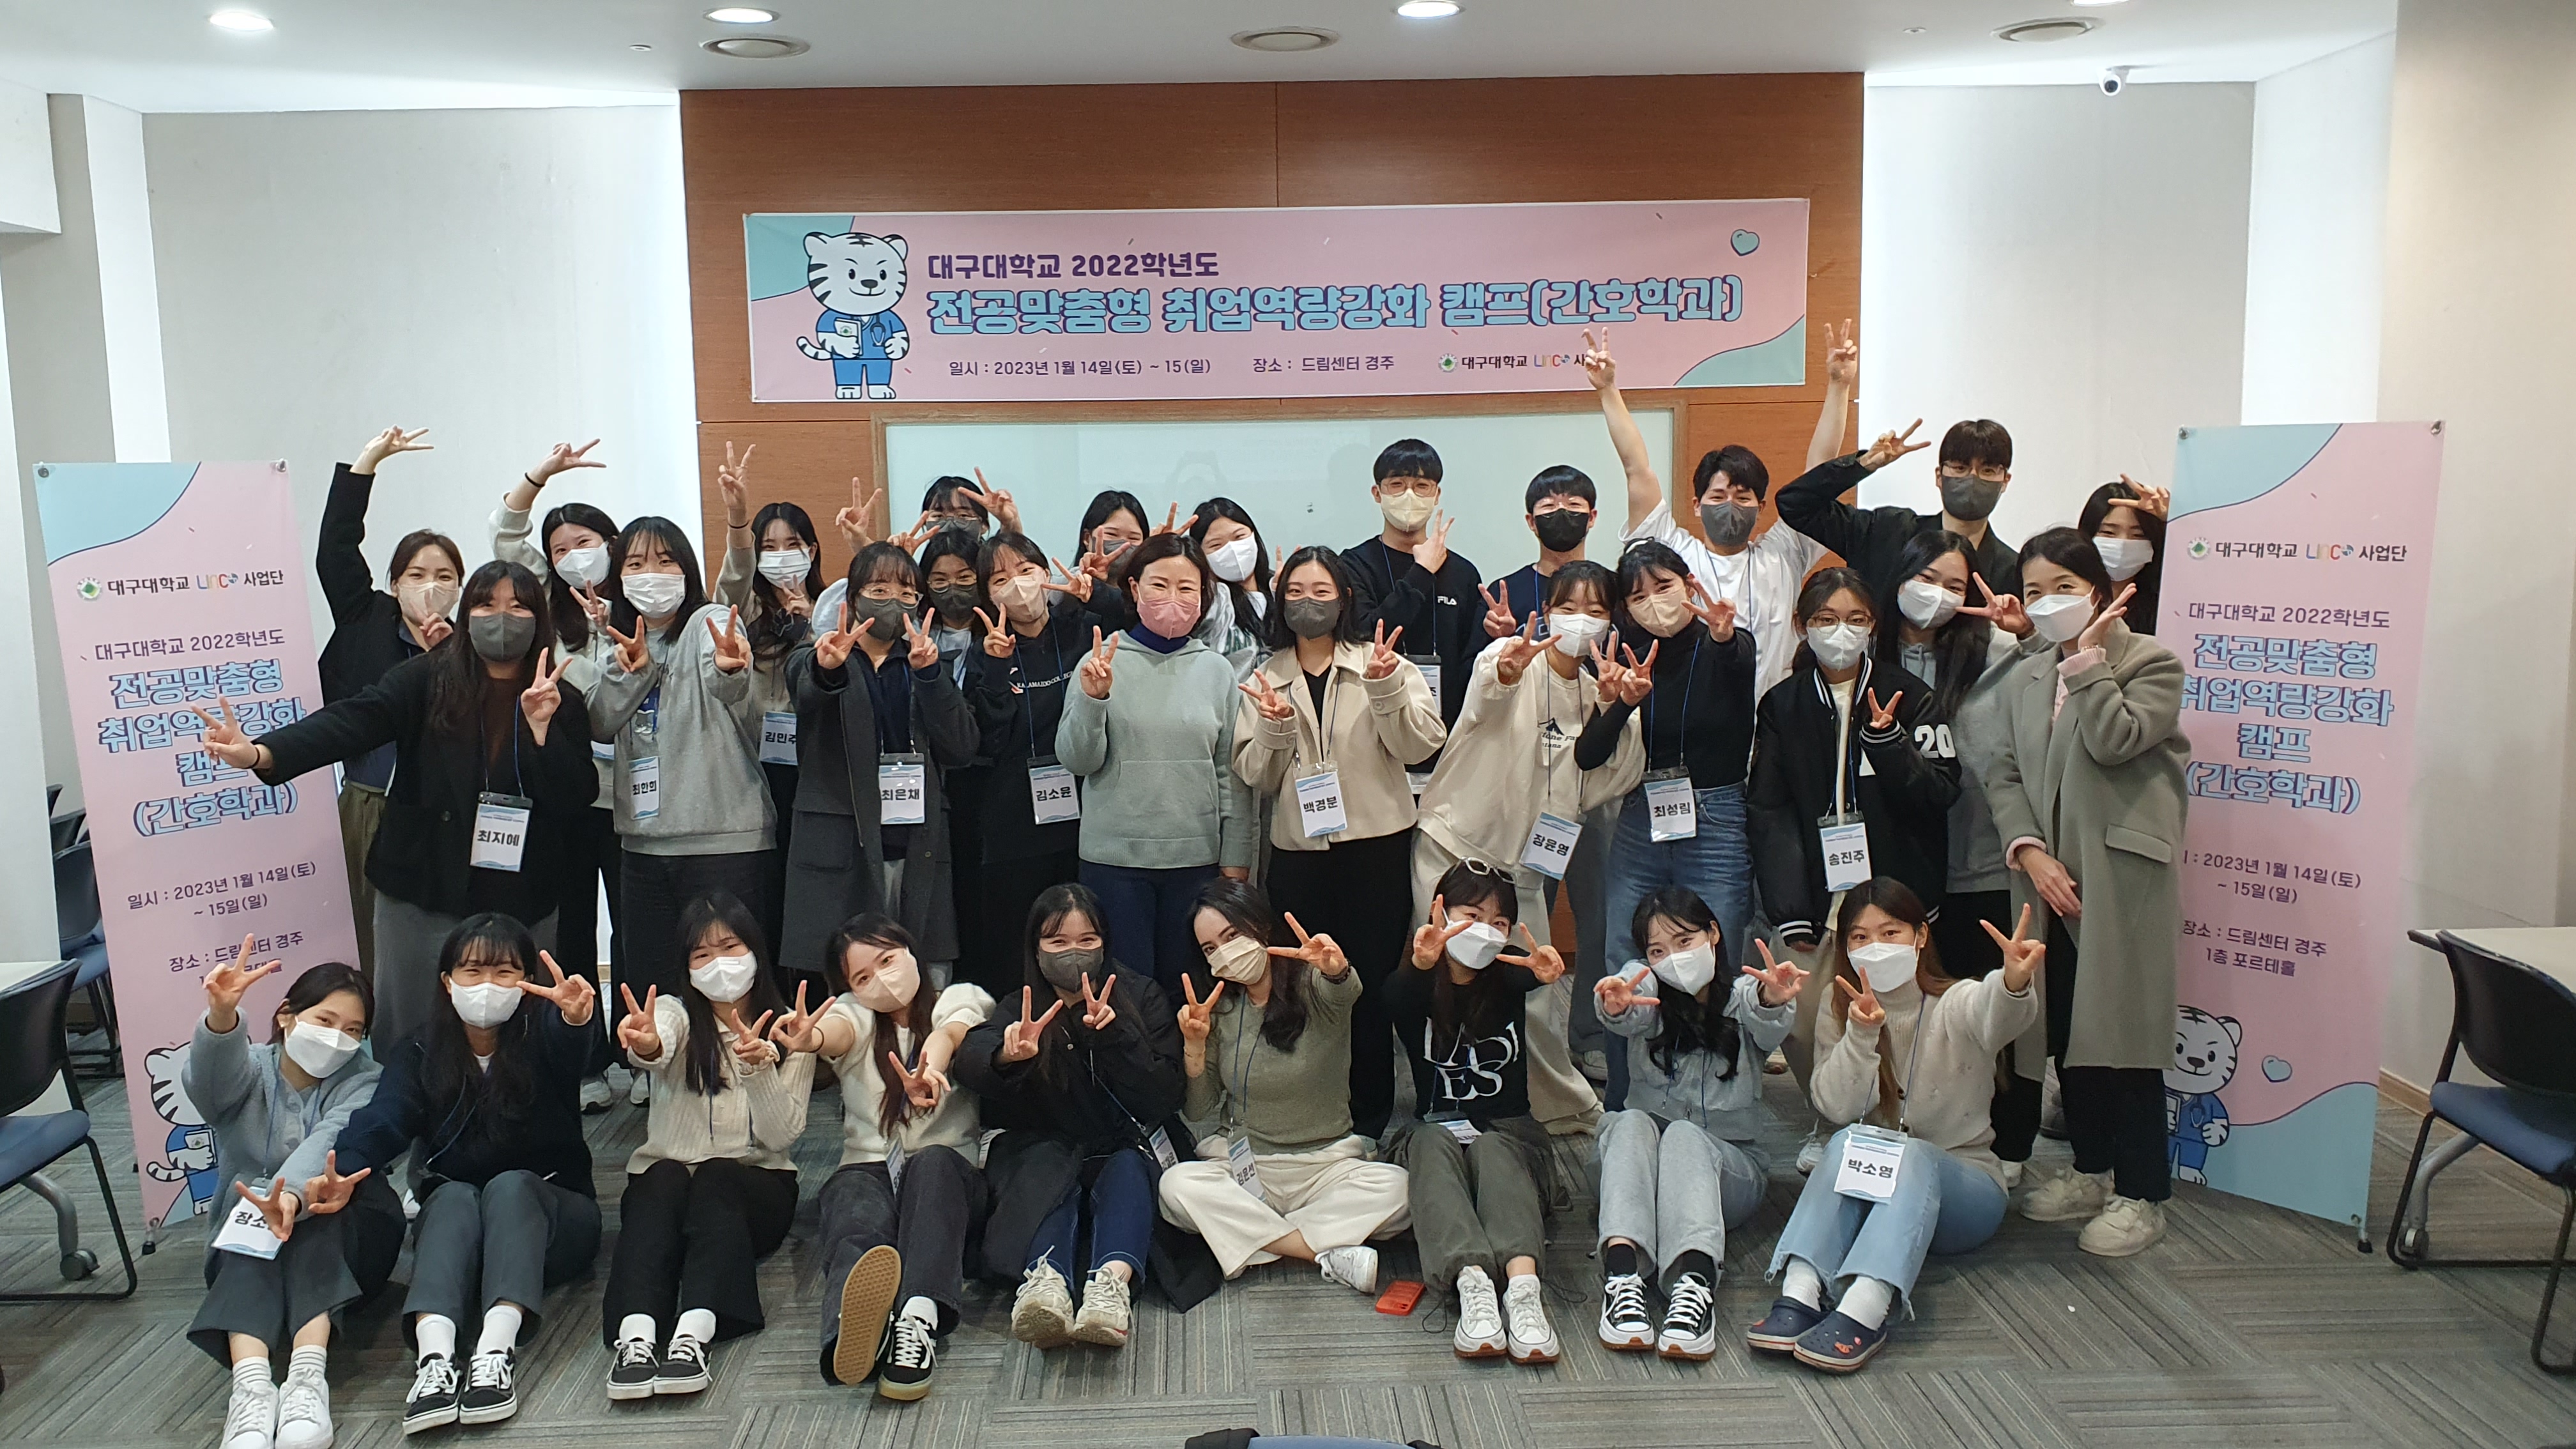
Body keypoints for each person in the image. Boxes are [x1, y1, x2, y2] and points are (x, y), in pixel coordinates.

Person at [198, 560, 598, 1050]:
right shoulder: (425, 679)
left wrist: (542, 734)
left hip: (521, 895)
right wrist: (263, 753)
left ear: (539, 618)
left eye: (518, 607)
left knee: (516, 1031)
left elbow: (577, 795)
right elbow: (352, 721)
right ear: (466, 614)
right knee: (410, 1028)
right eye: (486, 604)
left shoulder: (562, 699)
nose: (501, 618)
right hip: (422, 885)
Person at [1983, 528, 2190, 1257]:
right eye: (2034, 592)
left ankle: (2142, 1194)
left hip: (2118, 879)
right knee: (2069, 1033)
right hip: (2045, 880)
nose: (2048, 604)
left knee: (2123, 1037)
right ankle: (2091, 1170)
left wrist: (2089, 662)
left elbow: (2115, 740)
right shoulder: (2027, 675)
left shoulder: (2150, 661)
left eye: (2064, 588)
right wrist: (2029, 850)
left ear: (2098, 591)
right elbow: (2003, 772)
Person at [1747, 883, 2043, 1372]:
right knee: (1845, 1140)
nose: (1876, 947)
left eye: (1891, 933)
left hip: (1964, 1194)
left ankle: (1866, 1307)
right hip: (1878, 1195)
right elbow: (1834, 1105)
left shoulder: (1955, 1002)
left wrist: (2012, 981)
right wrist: (1862, 1036)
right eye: (1860, 937)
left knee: (1912, 1152)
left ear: (1920, 937)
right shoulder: (1840, 1006)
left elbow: (1997, 1012)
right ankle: (1801, 1291)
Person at [330, 914, 603, 1434]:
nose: (487, 986)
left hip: (554, 1221)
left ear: (527, 981)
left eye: (504, 972)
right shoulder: (419, 1050)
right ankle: (434, 1361)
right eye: (473, 971)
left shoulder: (542, 1036)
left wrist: (575, 1019)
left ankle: (495, 1354)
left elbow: (573, 1050)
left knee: (511, 1185)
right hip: (462, 1236)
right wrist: (344, 1169)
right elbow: (386, 1117)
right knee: (450, 1197)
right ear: (447, 981)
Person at [1415, 561, 1639, 1133]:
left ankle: (1558, 1104)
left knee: (1536, 986)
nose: (1581, 620)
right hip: (1456, 848)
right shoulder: (1508, 656)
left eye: (1596, 610)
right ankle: (1444, 1103)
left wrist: (1614, 711)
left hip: (1524, 871)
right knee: (1444, 977)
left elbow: (1610, 778)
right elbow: (1485, 698)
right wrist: (1507, 670)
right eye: (1568, 607)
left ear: (1612, 620)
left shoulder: (1600, 689)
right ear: (1547, 610)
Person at [1234, 546, 1445, 1138]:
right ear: (1280, 602)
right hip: (1299, 856)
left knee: (1372, 984)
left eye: (1322, 592)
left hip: (1375, 849)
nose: (1309, 603)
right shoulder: (1265, 677)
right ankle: (1317, 1109)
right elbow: (1256, 776)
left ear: (1345, 599)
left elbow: (1420, 746)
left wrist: (1386, 690)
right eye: (1296, 592)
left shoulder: (1383, 663)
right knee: (1308, 984)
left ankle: (1372, 1115)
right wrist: (1274, 726)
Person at [1749, 565, 1959, 1113]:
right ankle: (1832, 1117)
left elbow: (1940, 792)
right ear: (1802, 626)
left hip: (1892, 890)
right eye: (1825, 619)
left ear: (1873, 626)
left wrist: (1888, 744)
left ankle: (1894, 1123)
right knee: (1803, 1020)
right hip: (1816, 895)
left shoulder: (1910, 696)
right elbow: (1770, 811)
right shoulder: (1783, 704)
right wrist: (1790, 909)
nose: (1840, 631)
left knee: (1896, 1017)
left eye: (1855, 619)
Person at [952, 884, 1183, 1352]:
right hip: (1045, 1145)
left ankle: (1111, 1289)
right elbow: (971, 1060)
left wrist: (1117, 1037)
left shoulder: (1141, 995)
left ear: (1105, 942)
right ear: (1036, 948)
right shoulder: (1020, 1005)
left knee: (1127, 1168)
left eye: (1087, 940)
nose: (1073, 953)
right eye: (1058, 942)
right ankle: (1046, 1285)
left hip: (1122, 1140)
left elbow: (1167, 1092)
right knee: (1044, 1171)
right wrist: (1007, 1055)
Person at [770, 914, 993, 1400]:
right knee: (852, 1203)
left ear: (910, 951)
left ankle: (917, 1320)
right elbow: (836, 1031)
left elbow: (952, 1032)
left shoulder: (959, 995)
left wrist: (929, 1069)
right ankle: (854, 1330)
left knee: (932, 1165)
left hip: (947, 1173)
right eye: (862, 977)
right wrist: (810, 1040)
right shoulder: (855, 1013)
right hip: (870, 1166)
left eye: (887, 960)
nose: (881, 980)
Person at [603, 893, 813, 1400]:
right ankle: (636, 1336)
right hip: (670, 1197)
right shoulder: (674, 1013)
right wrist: (646, 1043)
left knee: (718, 1173)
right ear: (687, 968)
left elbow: (782, 1137)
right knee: (662, 1174)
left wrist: (760, 1071)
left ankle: (693, 1336)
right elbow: (657, 1044)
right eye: (702, 954)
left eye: (730, 947)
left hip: (754, 1193)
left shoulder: (791, 1028)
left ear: (755, 951)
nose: (719, 963)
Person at [1873, 530, 2037, 1181]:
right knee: (1909, 1016)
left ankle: (2008, 1143)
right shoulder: (1869, 649)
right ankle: (1911, 1131)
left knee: (1988, 1009)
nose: (1937, 595)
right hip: (1899, 871)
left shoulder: (1995, 650)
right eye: (1926, 578)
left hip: (1980, 859)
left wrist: (2026, 635)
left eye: (1954, 585)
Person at [184, 949, 392, 1449]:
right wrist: (221, 1017)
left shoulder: (365, 1078)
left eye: (353, 1030)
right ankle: (251, 1388)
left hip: (349, 1236)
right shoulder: (249, 1069)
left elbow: (328, 1142)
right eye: (325, 1021)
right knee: (253, 1213)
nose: (338, 1038)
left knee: (319, 1202)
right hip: (247, 1236)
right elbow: (208, 1089)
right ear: (286, 1016)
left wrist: (293, 1198)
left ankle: (307, 1378)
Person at [1156, 880, 1407, 1294]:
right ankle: (1322, 1252)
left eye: (1231, 936)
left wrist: (1337, 969)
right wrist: (1195, 1048)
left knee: (1400, 1190)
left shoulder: (1313, 985)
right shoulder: (1217, 1007)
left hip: (1325, 1165)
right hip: (1246, 1166)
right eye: (1210, 949)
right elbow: (1199, 1110)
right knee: (1176, 1188)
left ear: (1260, 925)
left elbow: (1346, 990)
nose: (1224, 954)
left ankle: (1252, 1235)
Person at [1575, 539, 1755, 1110]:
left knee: (1717, 957)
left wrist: (1724, 637)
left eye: (1663, 586)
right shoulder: (1621, 657)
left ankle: (1718, 1102)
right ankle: (1624, 1105)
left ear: (1688, 584)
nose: (1653, 602)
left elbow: (1736, 674)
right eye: (1637, 596)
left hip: (1716, 815)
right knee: (1623, 958)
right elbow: (1588, 755)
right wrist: (1621, 702)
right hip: (1641, 815)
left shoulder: (1726, 642)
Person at [1583, 325, 1851, 699]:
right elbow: (1636, 469)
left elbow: (1820, 474)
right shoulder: (1672, 552)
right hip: (1699, 718)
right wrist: (1608, 390)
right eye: (1718, 496)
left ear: (1761, 507)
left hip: (1775, 718)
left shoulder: (1786, 550)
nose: (1730, 505)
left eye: (1743, 497)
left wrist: (1839, 385)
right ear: (1696, 505)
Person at [1593, 889, 1802, 1360]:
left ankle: (1695, 1282)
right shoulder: (1649, 994)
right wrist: (1615, 1003)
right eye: (1657, 950)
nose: (1674, 958)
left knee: (1685, 1135)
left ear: (1713, 934)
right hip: (1640, 1171)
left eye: (1685, 941)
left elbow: (1767, 1020)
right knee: (1629, 1122)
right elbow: (1627, 1000)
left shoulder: (1743, 995)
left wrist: (1772, 998)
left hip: (1727, 1170)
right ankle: (1621, 1275)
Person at [1381, 863, 1569, 1364]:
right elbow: (1393, 1000)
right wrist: (1423, 962)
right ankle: (1474, 1286)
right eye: (1472, 915)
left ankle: (1524, 1291)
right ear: (1440, 913)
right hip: (1438, 1137)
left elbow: (1533, 971)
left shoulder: (1508, 973)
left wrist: (1548, 971)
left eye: (1499, 922)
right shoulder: (1415, 984)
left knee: (1491, 1146)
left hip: (1511, 1139)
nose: (1486, 930)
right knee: (1427, 1140)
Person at [588, 517, 776, 1015]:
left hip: (724, 841)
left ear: (687, 570)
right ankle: (664, 1065)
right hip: (643, 847)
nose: (651, 573)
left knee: (734, 985)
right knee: (652, 987)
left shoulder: (707, 622)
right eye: (635, 564)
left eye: (665, 561)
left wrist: (731, 666)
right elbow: (600, 723)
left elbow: (727, 679)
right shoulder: (619, 643)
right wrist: (633, 672)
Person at [1057, 533, 1257, 992]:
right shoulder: (1101, 660)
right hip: (1114, 862)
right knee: (1125, 994)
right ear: (1134, 588)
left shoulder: (1217, 671)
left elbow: (1231, 775)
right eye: (1159, 585)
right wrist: (1093, 698)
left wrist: (1236, 859)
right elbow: (1078, 760)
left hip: (1197, 863)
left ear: (1204, 596)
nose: (1173, 598)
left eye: (1187, 588)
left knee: (1191, 992)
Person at [781, 543, 979, 997]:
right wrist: (827, 667)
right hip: (842, 844)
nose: (895, 601)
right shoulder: (821, 655)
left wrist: (930, 678)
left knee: (918, 978)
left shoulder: (924, 661)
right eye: (880, 589)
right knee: (842, 983)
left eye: (907, 592)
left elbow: (962, 746)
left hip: (915, 842)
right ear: (853, 599)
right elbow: (807, 689)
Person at [490, 439, 621, 1106]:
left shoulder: (641, 605)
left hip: (633, 803)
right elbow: (506, 537)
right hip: (569, 799)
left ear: (613, 545)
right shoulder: (546, 607)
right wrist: (539, 475)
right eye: (561, 547)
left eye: (586, 542)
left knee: (635, 929)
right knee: (572, 931)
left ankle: (640, 1050)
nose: (575, 555)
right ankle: (587, 1060)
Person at [315, 425, 456, 980]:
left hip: (442, 809)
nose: (430, 586)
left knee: (437, 933)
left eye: (444, 576)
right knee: (366, 931)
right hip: (369, 803)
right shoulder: (365, 617)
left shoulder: (469, 645)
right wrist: (367, 463)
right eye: (416, 575)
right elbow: (336, 549)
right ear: (395, 583)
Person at [960, 530, 1091, 997]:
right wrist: (996, 669)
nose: (1017, 585)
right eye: (1000, 579)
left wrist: (1095, 594)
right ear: (987, 595)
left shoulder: (1081, 631)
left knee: (1083, 942)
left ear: (1046, 573)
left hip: (1085, 820)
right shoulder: (984, 652)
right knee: (1015, 950)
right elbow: (986, 742)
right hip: (1013, 824)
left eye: (1026, 570)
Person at [1775, 407, 2025, 615]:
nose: (1972, 478)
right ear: (1939, 477)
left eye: (1988, 471)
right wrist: (1864, 464)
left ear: (2005, 481)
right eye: (1960, 468)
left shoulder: (2014, 571)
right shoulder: (1885, 531)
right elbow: (1795, 504)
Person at [1344, 438, 1482, 732]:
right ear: (1377, 493)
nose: (1409, 495)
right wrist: (1421, 573)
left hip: (1451, 730)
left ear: (1437, 494)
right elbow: (1366, 636)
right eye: (1397, 485)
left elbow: (1471, 659)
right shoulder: (1354, 564)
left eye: (1422, 486)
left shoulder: (1463, 573)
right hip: (1375, 721)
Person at [1476, 465, 1598, 639]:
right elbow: (1476, 656)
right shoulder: (1504, 593)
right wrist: (1503, 640)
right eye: (1549, 505)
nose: (1561, 511)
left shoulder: (1613, 588)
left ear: (1592, 517)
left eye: (1573, 504)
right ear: (1532, 522)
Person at [1189, 496, 1275, 673]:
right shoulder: (1207, 602)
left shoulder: (1278, 589)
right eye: (1216, 545)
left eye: (1239, 537)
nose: (1232, 550)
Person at [2076, 477, 2171, 637]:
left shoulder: (2166, 603)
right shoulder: (2068, 595)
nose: (2123, 544)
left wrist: (2173, 522)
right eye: (2108, 532)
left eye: (2138, 535)